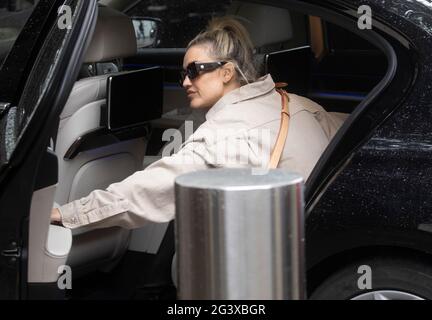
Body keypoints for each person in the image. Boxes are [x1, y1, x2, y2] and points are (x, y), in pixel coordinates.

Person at [51, 17, 342, 229]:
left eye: (195, 70)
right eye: (183, 74)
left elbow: (155, 187)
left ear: (227, 72)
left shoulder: (225, 135)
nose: (186, 81)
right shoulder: (294, 102)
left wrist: (69, 213)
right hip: (316, 234)